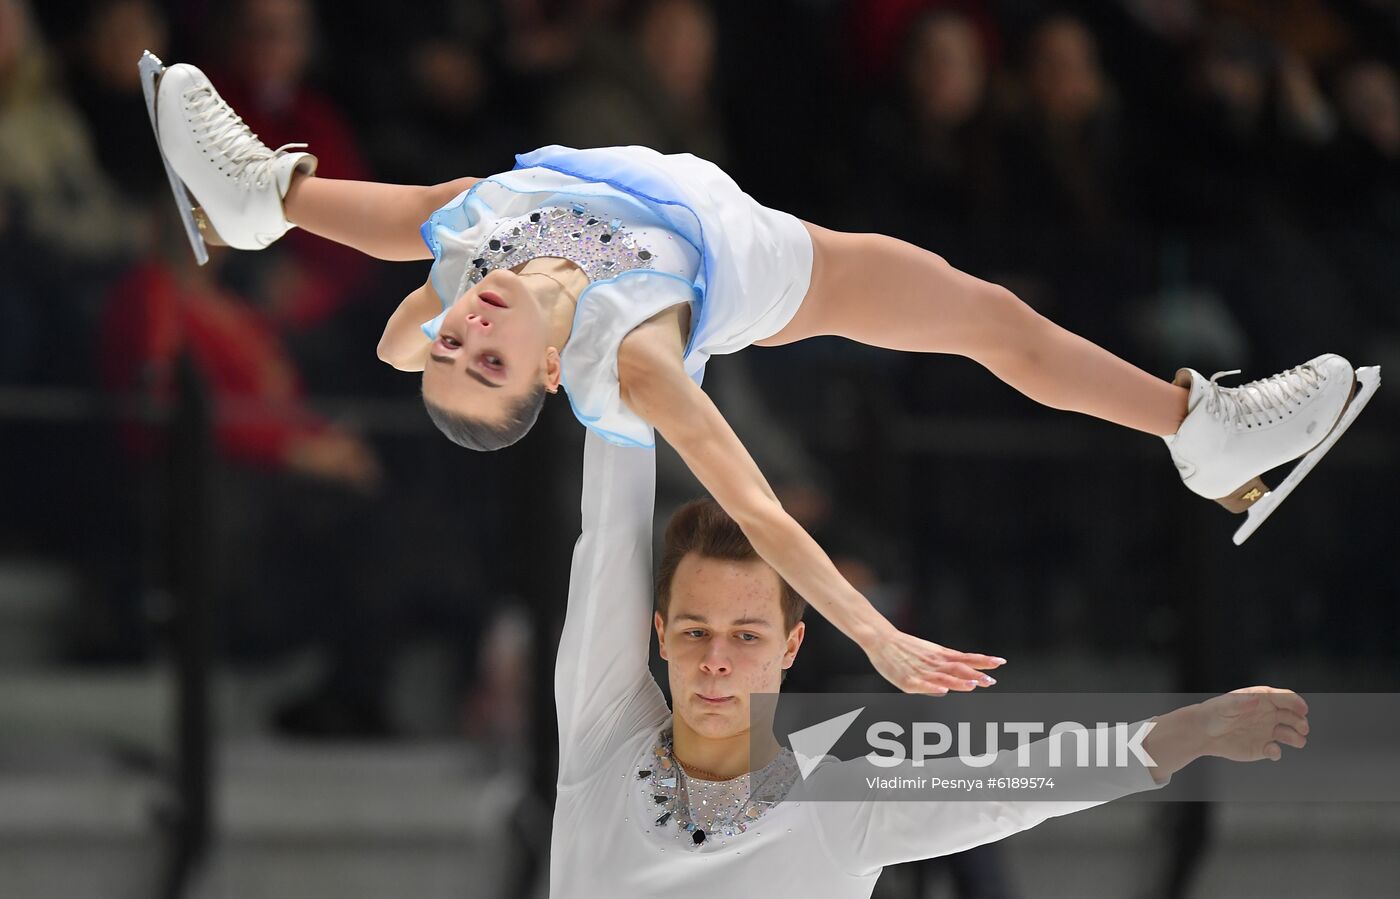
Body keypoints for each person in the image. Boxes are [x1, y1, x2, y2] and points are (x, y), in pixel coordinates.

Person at [138, 58, 1378, 693]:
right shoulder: (626, 351)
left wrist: (428, 334)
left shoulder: (469, 253)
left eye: (454, 339)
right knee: (993, 320)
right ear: (543, 381)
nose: (470, 328)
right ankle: (1198, 431)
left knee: (436, 212)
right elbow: (759, 506)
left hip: (598, 191)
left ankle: (261, 199)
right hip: (777, 263)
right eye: (487, 358)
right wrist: (871, 629)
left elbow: (400, 335)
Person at [549, 429, 1309, 897]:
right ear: (657, 634)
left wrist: (1191, 729)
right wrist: (652, 339)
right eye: (693, 632)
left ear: (790, 645)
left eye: (745, 635)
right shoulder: (601, 738)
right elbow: (608, 532)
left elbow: (1019, 783)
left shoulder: (844, 806)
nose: (715, 661)